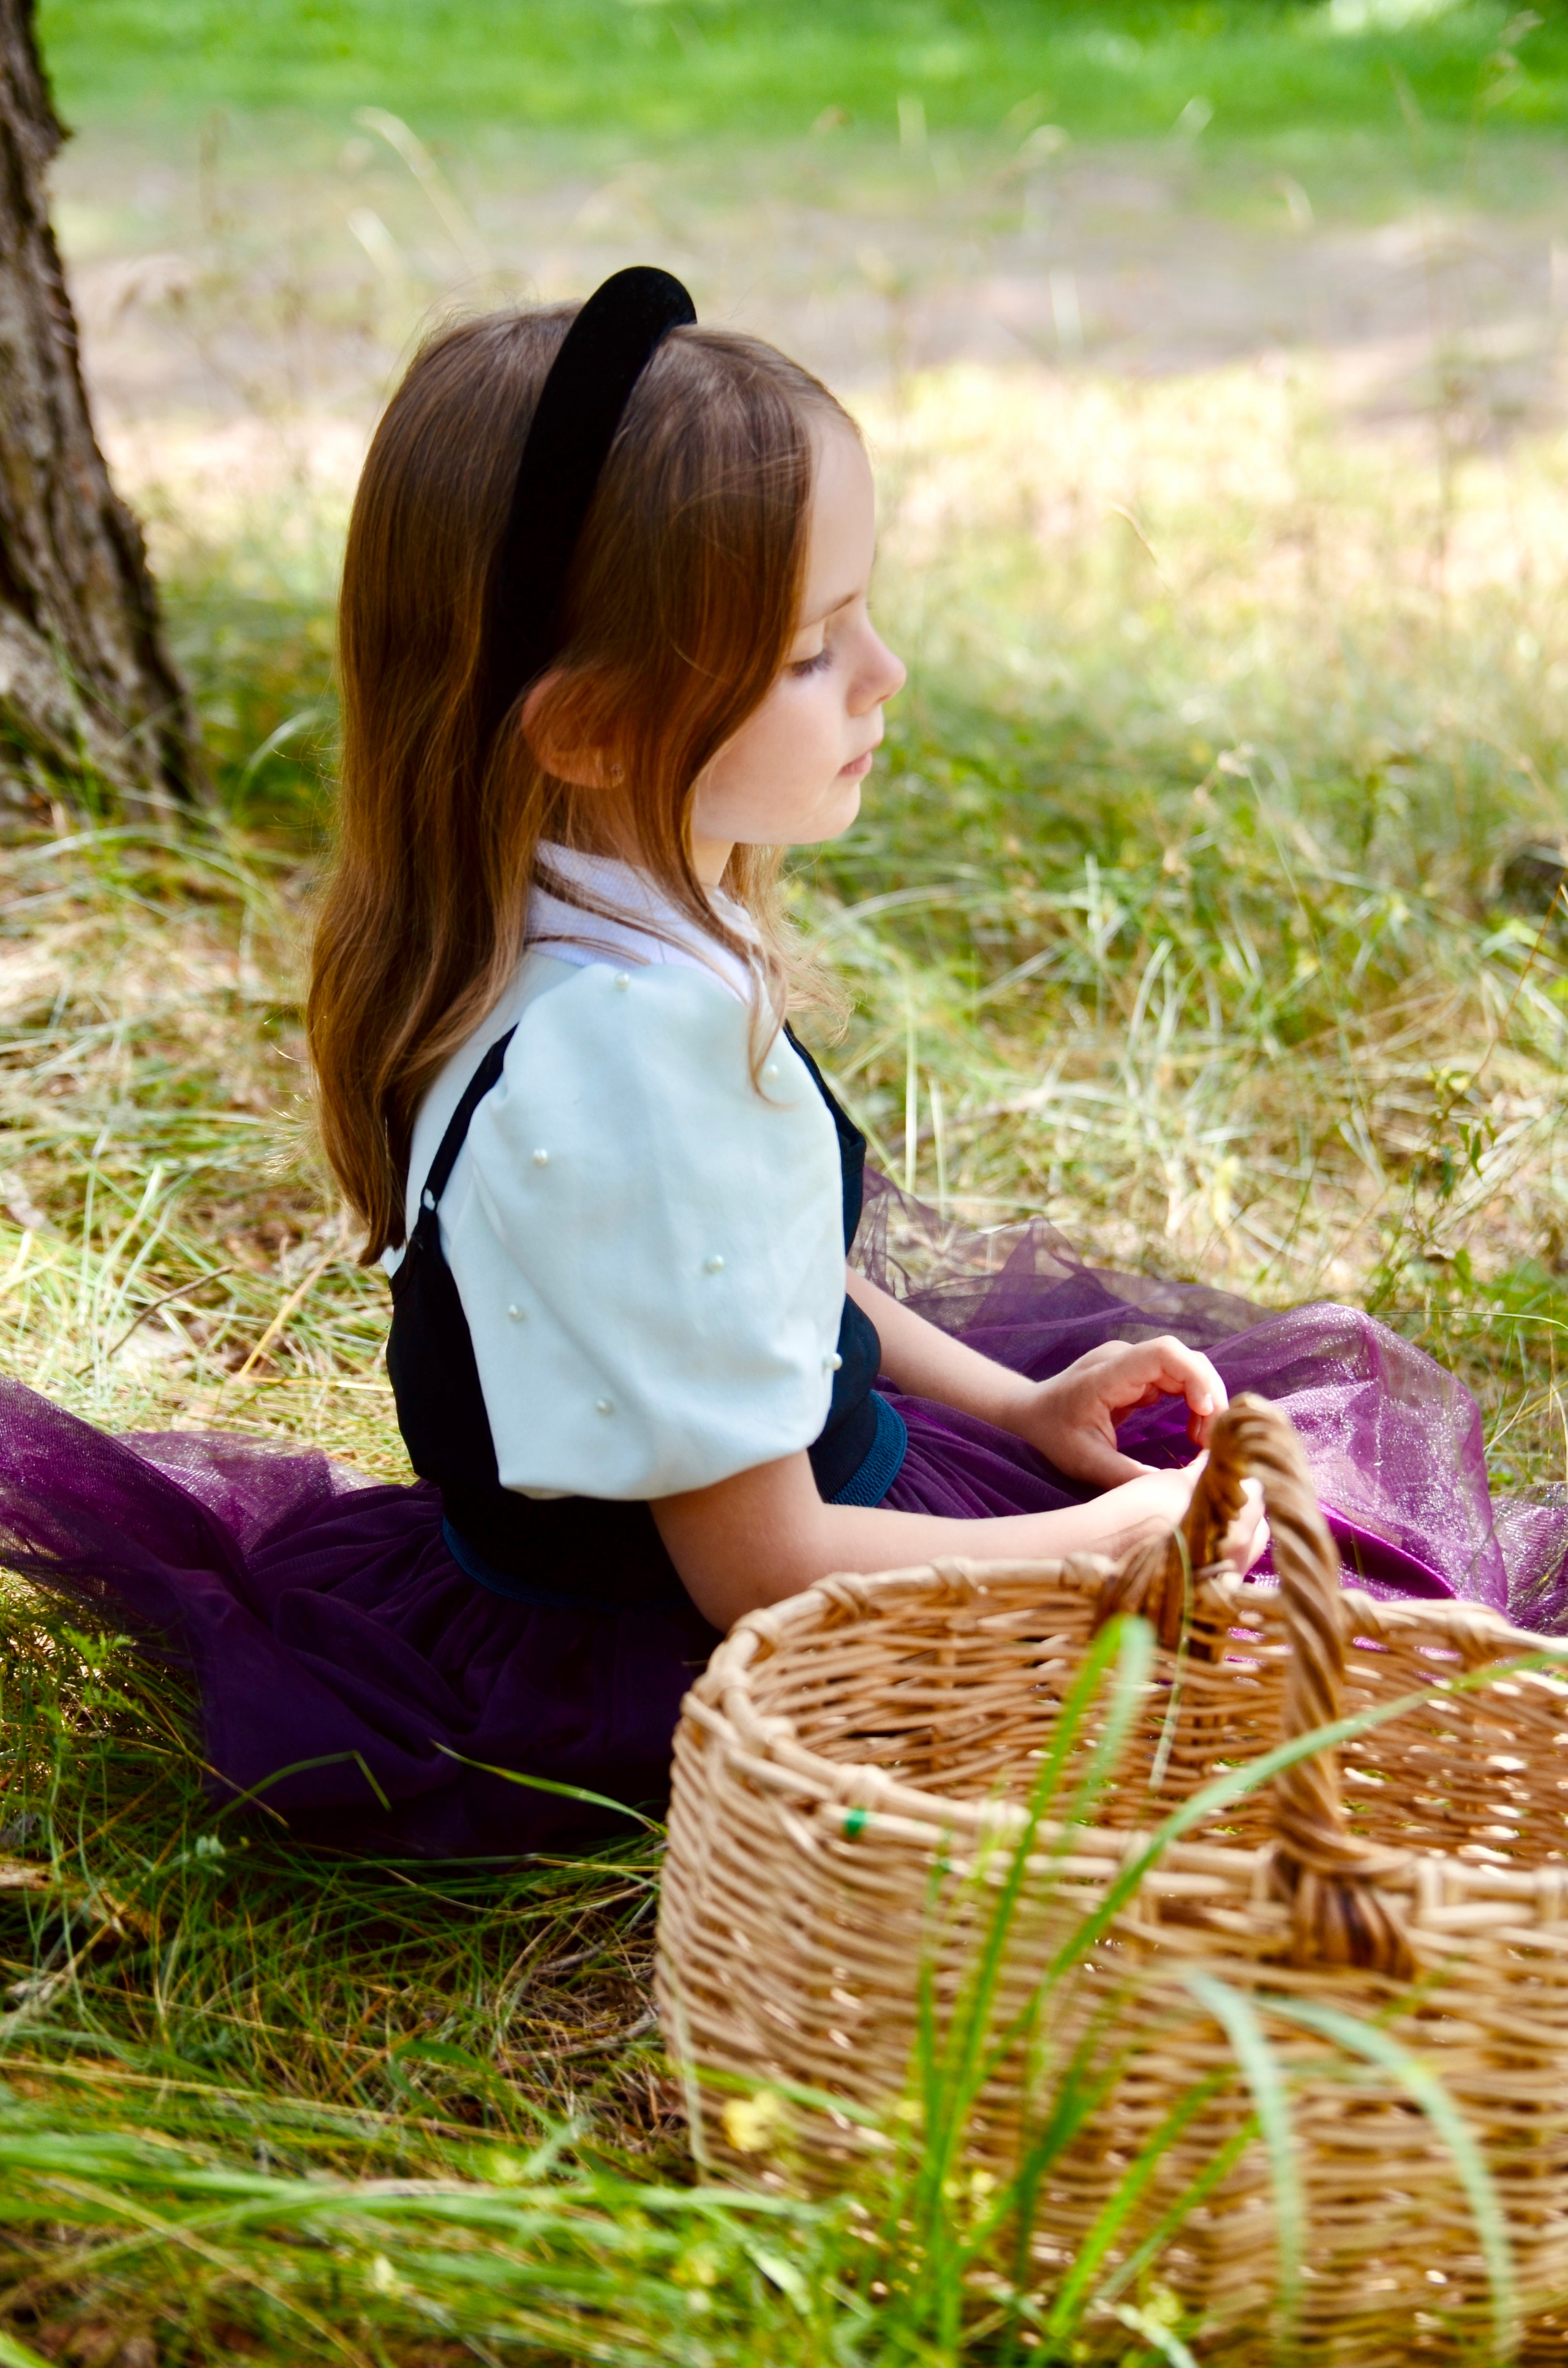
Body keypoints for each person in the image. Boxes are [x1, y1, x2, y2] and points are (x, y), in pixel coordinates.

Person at [0, 270, 1561, 1861]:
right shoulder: (625, 1071)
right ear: (594, 728)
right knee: (1310, 1660)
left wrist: (1018, 1402)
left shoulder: (550, 939)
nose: (885, 675)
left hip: (726, 1528)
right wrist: (1096, 1541)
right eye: (814, 648)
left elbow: (762, 1282)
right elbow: (762, 1569)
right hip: (716, 1625)